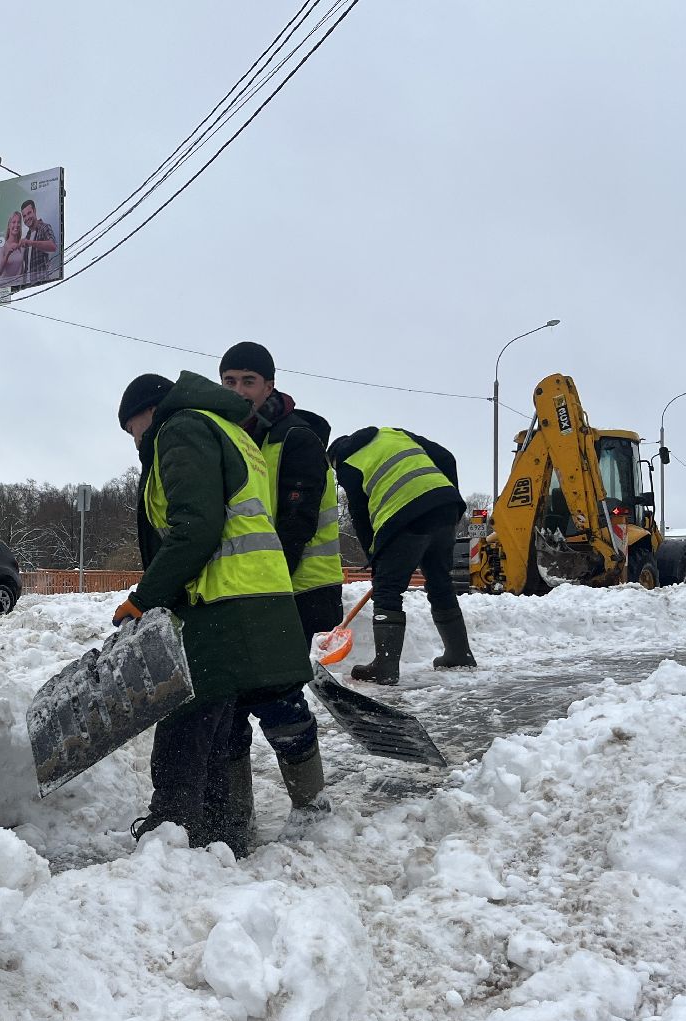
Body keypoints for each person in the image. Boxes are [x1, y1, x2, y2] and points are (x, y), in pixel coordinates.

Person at [115, 370, 310, 857]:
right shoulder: (231, 432)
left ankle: (172, 835)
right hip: (256, 600)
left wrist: (145, 597)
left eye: (131, 428)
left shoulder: (179, 429)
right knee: (221, 727)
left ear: (148, 412)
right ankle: (221, 836)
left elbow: (196, 527)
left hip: (221, 604)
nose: (134, 440)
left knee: (184, 723)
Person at [217, 342, 342, 834]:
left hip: (298, 591)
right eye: (229, 381)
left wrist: (267, 590)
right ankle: (235, 814)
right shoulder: (234, 437)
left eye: (248, 381)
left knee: (279, 695)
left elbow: (297, 523)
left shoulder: (295, 438)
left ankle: (311, 806)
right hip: (256, 591)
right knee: (236, 701)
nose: (238, 391)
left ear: (269, 385)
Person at [328, 425, 476, 685]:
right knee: (440, 582)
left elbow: (360, 515)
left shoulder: (347, 463)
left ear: (335, 457)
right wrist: (446, 495)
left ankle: (385, 667)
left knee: (387, 589)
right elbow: (446, 457)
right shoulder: (393, 433)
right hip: (445, 507)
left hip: (403, 517)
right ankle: (459, 654)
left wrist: (374, 556)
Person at [17, 199, 59, 284]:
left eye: (29, 213)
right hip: (27, 286)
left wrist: (31, 243)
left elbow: (53, 246)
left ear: (35, 211)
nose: (27, 218)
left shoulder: (44, 228)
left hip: (41, 283)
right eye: (24, 216)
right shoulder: (27, 237)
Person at [0, 212, 25, 281]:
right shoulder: (3, 247)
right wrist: (7, 254)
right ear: (9, 225)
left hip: (19, 287)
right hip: (5, 288)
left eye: (18, 222)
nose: (16, 225)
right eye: (13, 222)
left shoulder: (21, 246)